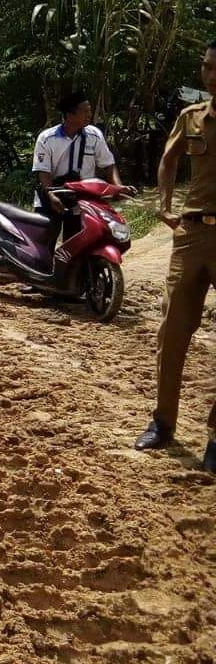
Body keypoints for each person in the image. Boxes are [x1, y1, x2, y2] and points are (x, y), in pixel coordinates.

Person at [135, 43, 216, 473]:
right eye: (206, 68)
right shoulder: (192, 117)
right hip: (190, 234)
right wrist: (163, 206)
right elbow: (168, 161)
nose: (211, 76)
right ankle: (163, 422)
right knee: (173, 332)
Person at [32, 90, 130, 216]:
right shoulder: (46, 138)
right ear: (70, 115)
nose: (89, 114)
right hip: (52, 194)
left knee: (84, 233)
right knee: (47, 233)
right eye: (85, 111)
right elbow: (43, 171)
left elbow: (108, 164)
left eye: (89, 110)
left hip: (83, 199)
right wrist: (51, 195)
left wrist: (118, 187)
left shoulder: (94, 135)